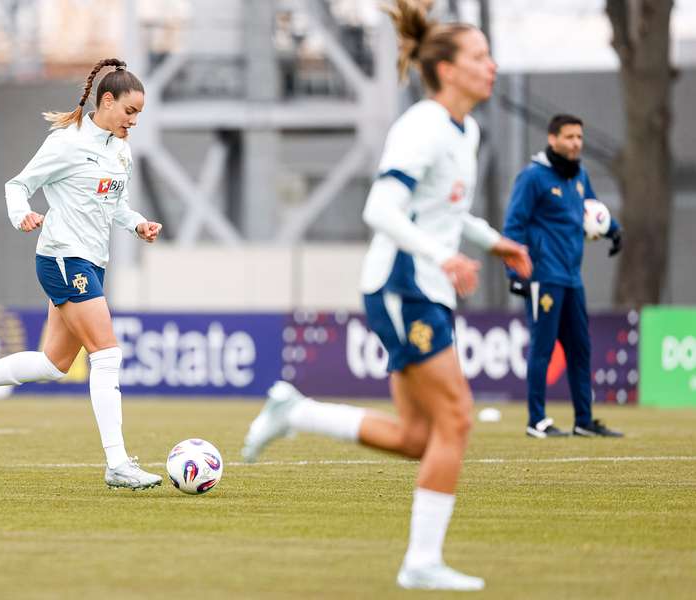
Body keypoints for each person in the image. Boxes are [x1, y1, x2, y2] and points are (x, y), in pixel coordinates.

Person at [241, 0, 531, 592]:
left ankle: (294, 412)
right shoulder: (421, 126)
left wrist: (493, 242)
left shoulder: (464, 129)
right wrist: (441, 256)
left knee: (418, 437)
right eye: (479, 56)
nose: (491, 66)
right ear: (447, 70)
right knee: (456, 419)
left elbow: (445, 210)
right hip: (403, 287)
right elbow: (381, 209)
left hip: (422, 287)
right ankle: (421, 563)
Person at [0, 58, 166, 490]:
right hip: (62, 258)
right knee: (107, 354)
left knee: (54, 364)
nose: (134, 121)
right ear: (107, 101)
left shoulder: (121, 150)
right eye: (130, 112)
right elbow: (17, 185)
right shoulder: (67, 143)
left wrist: (138, 225)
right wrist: (21, 215)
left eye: (139, 115)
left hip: (91, 262)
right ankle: (117, 463)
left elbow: (117, 206)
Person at [503, 114, 624, 439]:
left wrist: (614, 231)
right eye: (569, 137)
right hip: (544, 276)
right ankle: (536, 420)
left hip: (572, 277)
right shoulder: (532, 177)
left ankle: (584, 420)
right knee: (543, 348)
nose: (576, 143)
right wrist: (514, 271)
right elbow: (513, 225)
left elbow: (592, 210)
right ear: (552, 138)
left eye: (579, 137)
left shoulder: (579, 174)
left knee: (580, 349)